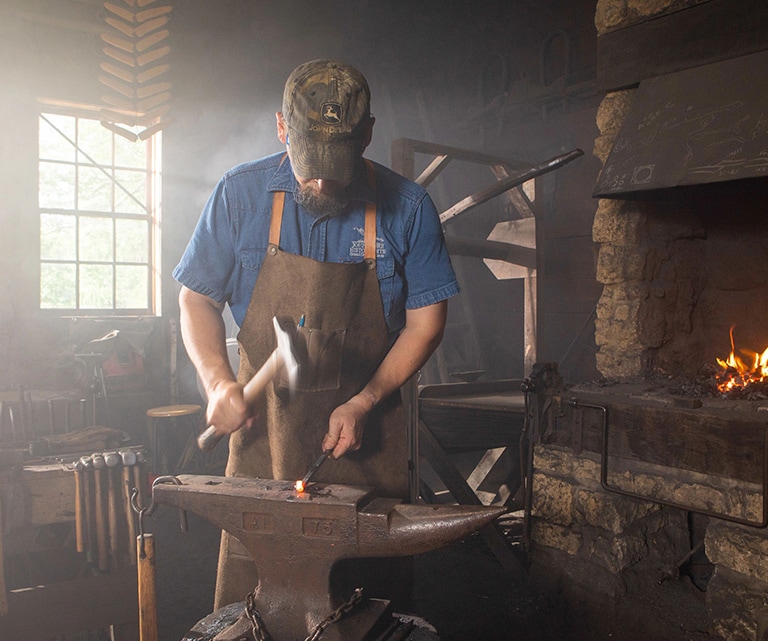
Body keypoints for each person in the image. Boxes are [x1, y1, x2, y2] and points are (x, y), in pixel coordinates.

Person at [173, 59, 459, 610]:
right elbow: (197, 298)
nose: (323, 181)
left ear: (368, 135)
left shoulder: (409, 209)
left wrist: (366, 400)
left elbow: (427, 323)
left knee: (366, 604)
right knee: (261, 597)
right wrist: (217, 382)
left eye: (338, 163)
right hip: (266, 433)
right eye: (310, 163)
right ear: (282, 128)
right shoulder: (240, 196)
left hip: (365, 431)